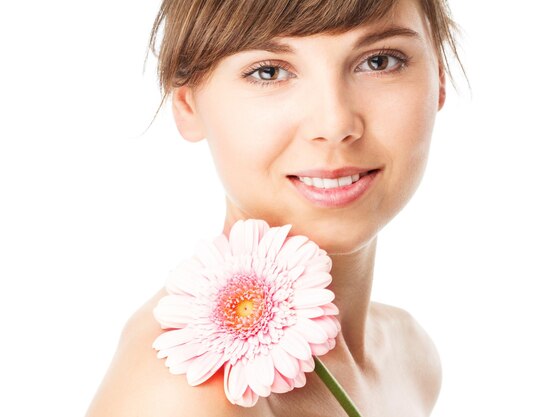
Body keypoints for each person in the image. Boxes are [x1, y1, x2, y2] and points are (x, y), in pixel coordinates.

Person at [85, 0, 464, 415]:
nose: (334, 124)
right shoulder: (187, 390)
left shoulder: (410, 356)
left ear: (439, 78)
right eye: (269, 71)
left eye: (379, 61)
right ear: (187, 103)